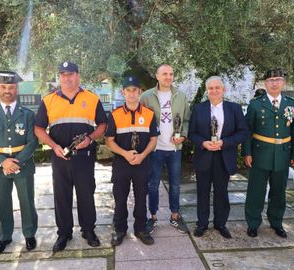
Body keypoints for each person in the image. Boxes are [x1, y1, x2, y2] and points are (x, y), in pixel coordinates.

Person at [34, 62, 107, 252]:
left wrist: (90, 138)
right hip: (60, 158)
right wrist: (54, 146)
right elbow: (38, 128)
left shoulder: (91, 98)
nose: (67, 78)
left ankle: (88, 231)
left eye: (71, 74)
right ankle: (64, 234)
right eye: (63, 74)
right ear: (59, 77)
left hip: (85, 156)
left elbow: (102, 125)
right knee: (61, 196)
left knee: (86, 195)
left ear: (78, 76)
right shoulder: (48, 100)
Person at [0, 71, 39, 254]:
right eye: (3, 87)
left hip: (23, 165)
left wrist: (17, 162)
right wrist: (3, 162)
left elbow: (33, 141)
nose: (7, 91)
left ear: (16, 89)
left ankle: (29, 235)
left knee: (27, 201)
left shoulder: (27, 114)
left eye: (11, 87)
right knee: (1, 202)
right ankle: (4, 237)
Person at [242, 68, 294, 238]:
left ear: (283, 83)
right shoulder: (256, 104)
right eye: (270, 80)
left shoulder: (291, 103)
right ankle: (253, 223)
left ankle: (276, 222)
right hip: (260, 154)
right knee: (256, 191)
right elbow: (248, 130)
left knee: (279, 192)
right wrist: (247, 153)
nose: (274, 83)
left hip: (283, 154)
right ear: (265, 84)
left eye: (278, 80)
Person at [188, 76, 248, 238]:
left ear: (223, 90)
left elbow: (242, 132)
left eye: (217, 88)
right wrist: (203, 143)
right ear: (207, 91)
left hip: (224, 156)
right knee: (202, 192)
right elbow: (191, 133)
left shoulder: (234, 108)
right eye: (210, 88)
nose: (214, 91)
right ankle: (202, 224)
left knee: (221, 192)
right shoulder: (198, 109)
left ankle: (220, 223)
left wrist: (224, 142)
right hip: (204, 156)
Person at [106, 76, 159, 246]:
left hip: (142, 162)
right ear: (123, 92)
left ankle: (141, 229)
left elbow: (153, 139)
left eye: (134, 90)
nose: (131, 93)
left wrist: (142, 156)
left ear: (139, 92)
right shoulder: (114, 115)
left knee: (141, 198)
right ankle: (120, 229)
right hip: (122, 162)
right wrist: (125, 154)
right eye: (128, 90)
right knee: (120, 198)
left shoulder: (149, 114)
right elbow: (109, 141)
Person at [140, 64, 191, 234]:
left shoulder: (181, 96)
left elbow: (186, 121)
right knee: (153, 184)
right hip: (154, 149)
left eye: (171, 74)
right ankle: (152, 217)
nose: (168, 77)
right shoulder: (146, 97)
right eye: (164, 74)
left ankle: (175, 216)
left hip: (174, 149)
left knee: (175, 185)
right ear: (157, 76)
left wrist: (182, 135)